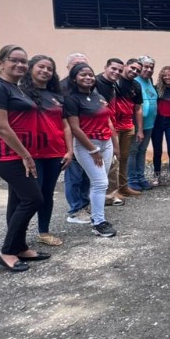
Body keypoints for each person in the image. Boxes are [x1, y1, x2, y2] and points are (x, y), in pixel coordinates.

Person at [0, 45, 46, 271]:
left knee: (18, 200)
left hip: (19, 153)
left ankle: (19, 247)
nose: (20, 65)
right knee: (33, 199)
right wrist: (25, 155)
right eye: (14, 60)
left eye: (24, 61)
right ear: (1, 63)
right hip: (9, 156)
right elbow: (0, 126)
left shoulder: (16, 88)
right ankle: (7, 251)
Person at [19, 54, 73, 247]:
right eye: (41, 67)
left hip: (55, 153)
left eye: (50, 69)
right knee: (31, 197)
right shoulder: (20, 94)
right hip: (31, 154)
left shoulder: (57, 97)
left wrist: (69, 151)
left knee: (47, 193)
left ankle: (44, 231)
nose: (45, 71)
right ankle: (18, 234)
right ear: (31, 68)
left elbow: (65, 126)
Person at [64, 62, 117, 237]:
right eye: (83, 74)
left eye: (90, 75)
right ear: (74, 78)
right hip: (87, 145)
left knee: (99, 182)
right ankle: (98, 222)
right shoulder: (71, 99)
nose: (88, 77)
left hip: (106, 143)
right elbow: (75, 128)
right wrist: (93, 150)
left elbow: (108, 121)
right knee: (101, 183)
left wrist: (115, 145)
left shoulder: (98, 96)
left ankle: (96, 215)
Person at [61, 52, 91, 224]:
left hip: (88, 137)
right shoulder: (61, 88)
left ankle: (84, 204)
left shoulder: (89, 87)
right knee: (74, 175)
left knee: (86, 174)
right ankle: (75, 209)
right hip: (71, 137)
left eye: (84, 65)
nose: (81, 69)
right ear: (68, 68)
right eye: (76, 65)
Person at [94, 58, 124, 207]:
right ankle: (97, 199)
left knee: (112, 163)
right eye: (113, 68)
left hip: (112, 126)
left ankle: (110, 195)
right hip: (100, 129)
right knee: (102, 165)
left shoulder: (113, 84)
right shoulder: (96, 83)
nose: (116, 72)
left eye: (119, 70)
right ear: (105, 67)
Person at [112, 59, 144, 197]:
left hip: (128, 127)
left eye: (138, 70)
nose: (134, 71)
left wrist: (140, 130)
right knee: (113, 159)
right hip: (113, 127)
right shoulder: (113, 81)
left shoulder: (136, 85)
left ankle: (123, 187)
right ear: (125, 66)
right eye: (132, 68)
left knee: (124, 158)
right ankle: (112, 191)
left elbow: (138, 109)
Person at [127, 56, 158, 192]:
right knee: (133, 151)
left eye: (151, 67)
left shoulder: (149, 81)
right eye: (146, 67)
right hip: (136, 124)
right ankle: (131, 180)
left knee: (142, 150)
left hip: (149, 124)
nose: (149, 69)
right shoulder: (134, 81)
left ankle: (141, 177)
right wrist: (138, 127)